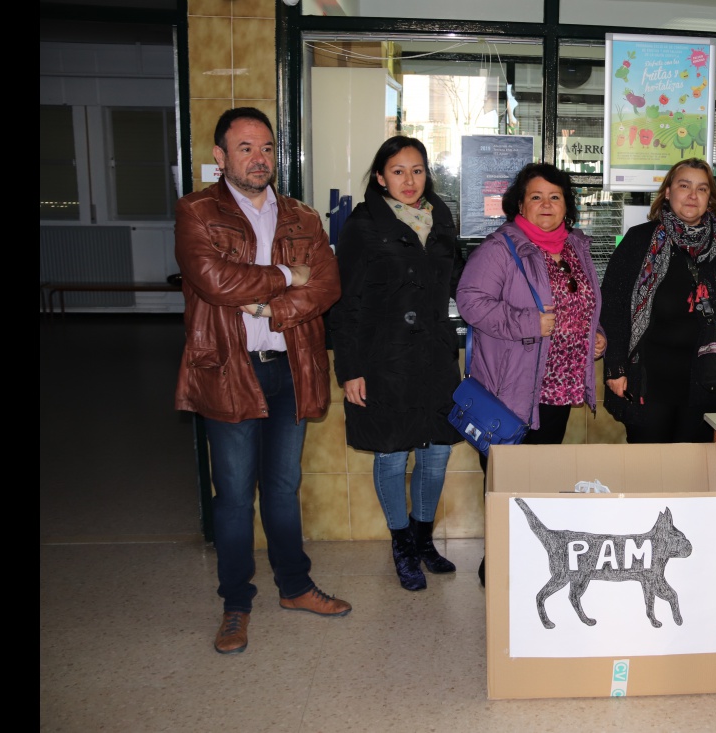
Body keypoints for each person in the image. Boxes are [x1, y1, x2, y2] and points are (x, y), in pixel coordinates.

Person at [174, 107, 350, 656]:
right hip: (227, 370)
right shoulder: (196, 211)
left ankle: (295, 587)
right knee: (232, 498)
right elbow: (213, 280)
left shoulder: (301, 216)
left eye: (268, 148)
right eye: (246, 148)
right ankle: (236, 605)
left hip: (291, 367)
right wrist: (284, 276)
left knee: (281, 488)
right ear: (221, 157)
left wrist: (274, 311)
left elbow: (325, 285)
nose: (259, 158)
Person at [455, 162, 606, 585]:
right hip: (513, 386)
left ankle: (527, 559)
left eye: (555, 197)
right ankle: (499, 566)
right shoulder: (502, 248)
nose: (546, 205)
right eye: (536, 197)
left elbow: (584, 304)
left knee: (539, 476)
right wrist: (526, 322)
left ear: (567, 205)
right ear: (519, 203)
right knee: (508, 478)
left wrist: (597, 337)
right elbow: (470, 300)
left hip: (559, 385)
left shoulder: (575, 246)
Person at [328, 136, 463, 592]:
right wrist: (349, 369)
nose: (409, 180)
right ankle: (402, 545)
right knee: (391, 453)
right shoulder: (363, 225)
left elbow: (461, 285)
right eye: (399, 171)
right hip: (382, 360)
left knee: (437, 451)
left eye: (418, 170)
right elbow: (344, 303)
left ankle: (424, 540)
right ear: (381, 176)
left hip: (434, 358)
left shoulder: (441, 219)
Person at [600, 158, 716, 443]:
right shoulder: (639, 240)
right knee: (648, 468)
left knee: (693, 469)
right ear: (668, 192)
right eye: (684, 186)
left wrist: (708, 298)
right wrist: (615, 367)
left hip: (706, 378)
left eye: (702, 189)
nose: (693, 195)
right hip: (648, 379)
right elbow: (614, 305)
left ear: (710, 198)